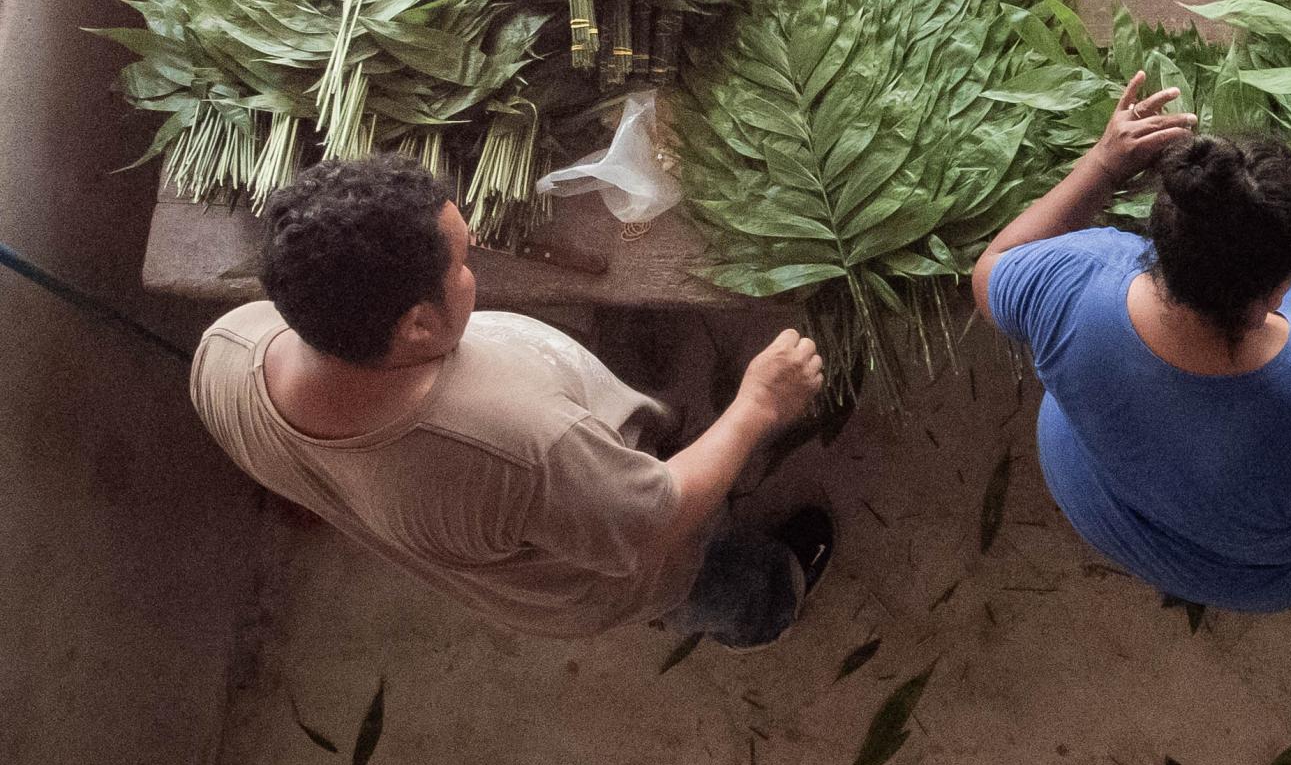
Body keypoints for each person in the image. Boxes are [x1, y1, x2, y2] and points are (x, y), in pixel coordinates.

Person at [192, 153, 832, 647]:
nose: (476, 274)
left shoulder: (225, 351)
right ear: (417, 324)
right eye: (464, 264)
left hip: (515, 553)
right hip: (620, 574)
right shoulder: (517, 442)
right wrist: (758, 405)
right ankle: (767, 606)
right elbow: (656, 522)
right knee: (711, 581)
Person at [974, 72, 1291, 614]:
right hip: (1253, 574)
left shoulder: (1076, 279)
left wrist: (1102, 164)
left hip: (1091, 494)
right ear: (1279, 289)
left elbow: (991, 271)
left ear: (1160, 236)